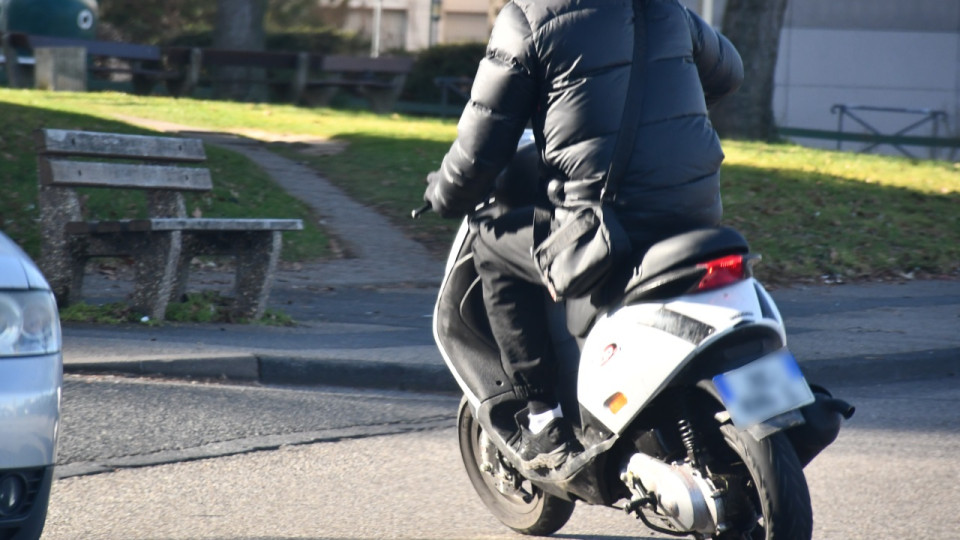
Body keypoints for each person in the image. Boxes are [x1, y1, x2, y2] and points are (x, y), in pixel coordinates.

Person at [423, 0, 743, 468]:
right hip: (694, 211)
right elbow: (728, 73)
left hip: (605, 225)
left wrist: (444, 194)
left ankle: (543, 420)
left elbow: (482, 144)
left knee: (492, 244)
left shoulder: (529, 19)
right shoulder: (667, 10)